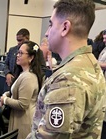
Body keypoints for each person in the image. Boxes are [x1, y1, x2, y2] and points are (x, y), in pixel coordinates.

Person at [26, 0, 106, 138]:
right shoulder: (89, 63)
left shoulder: (69, 78)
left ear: (65, 27)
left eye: (50, 24)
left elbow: (48, 136)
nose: (46, 33)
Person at [0, 41, 43, 139]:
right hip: (19, 117)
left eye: (21, 53)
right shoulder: (23, 73)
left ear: (31, 58)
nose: (17, 56)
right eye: (17, 53)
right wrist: (6, 94)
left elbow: (22, 104)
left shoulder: (29, 77)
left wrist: (5, 100)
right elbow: (16, 90)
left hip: (24, 121)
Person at [97, 29, 106, 138]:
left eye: (105, 38)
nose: (104, 40)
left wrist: (97, 63)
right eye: (103, 38)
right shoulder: (104, 49)